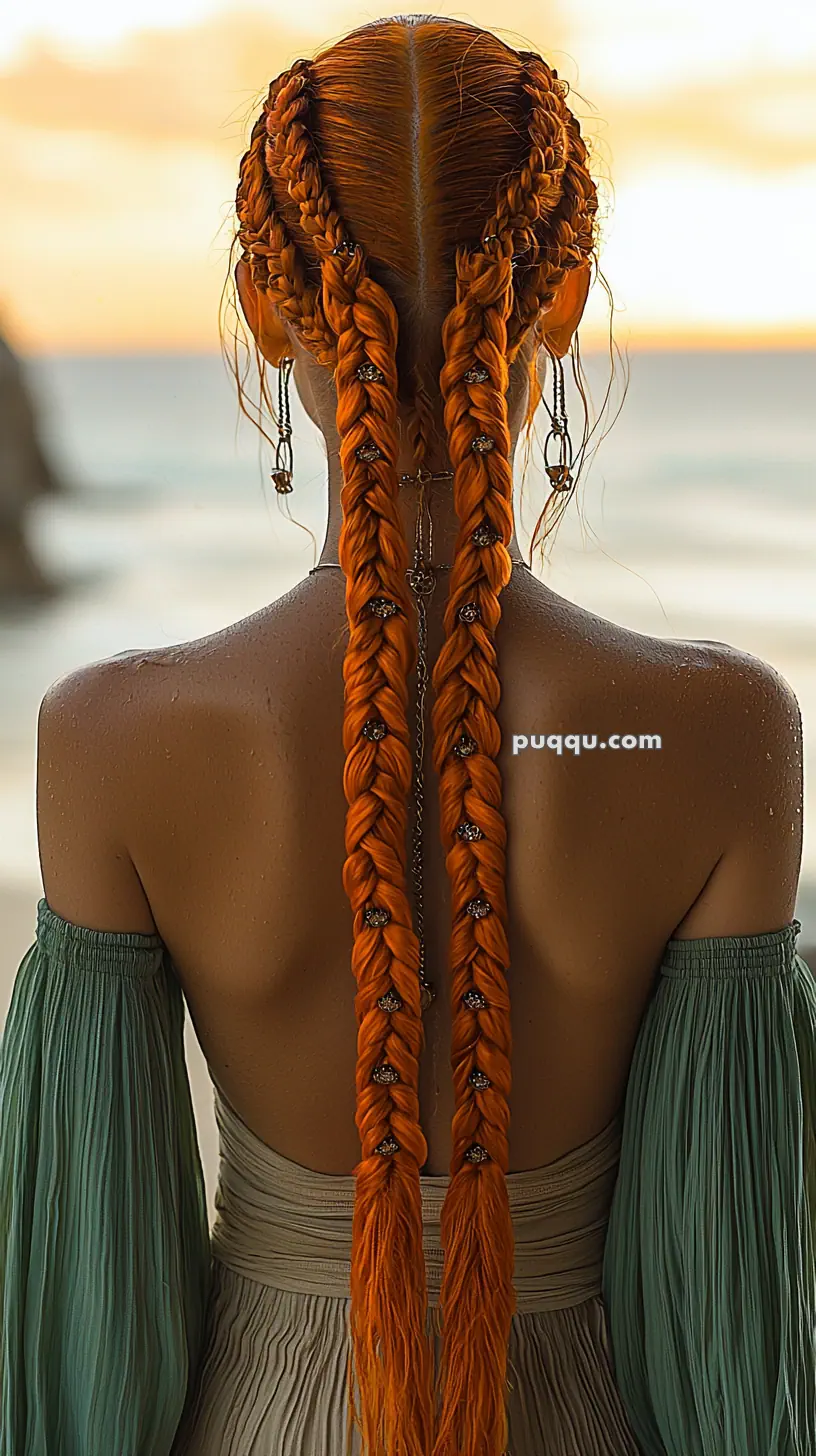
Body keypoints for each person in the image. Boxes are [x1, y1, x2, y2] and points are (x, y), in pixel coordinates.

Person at [1, 16, 815, 1456]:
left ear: (266, 304)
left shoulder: (110, 739)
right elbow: (730, 1327)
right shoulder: (717, 734)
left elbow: (94, 1332)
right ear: (562, 299)